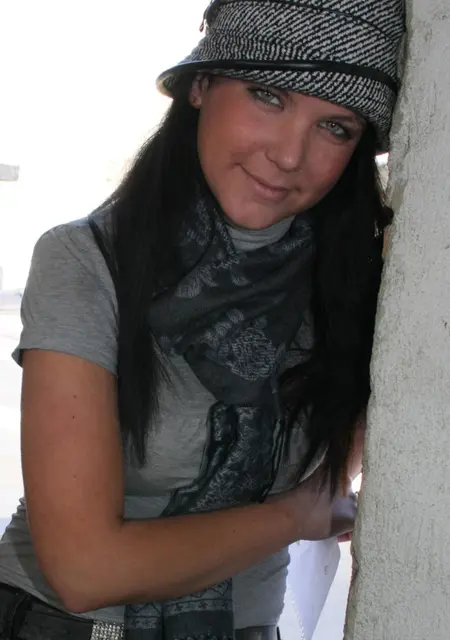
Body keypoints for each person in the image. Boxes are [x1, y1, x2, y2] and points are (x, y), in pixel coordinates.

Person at [0, 1, 405, 639]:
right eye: (268, 97)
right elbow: (84, 569)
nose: (289, 155)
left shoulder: (358, 288)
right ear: (201, 86)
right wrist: (296, 515)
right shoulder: (88, 261)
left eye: (335, 126)